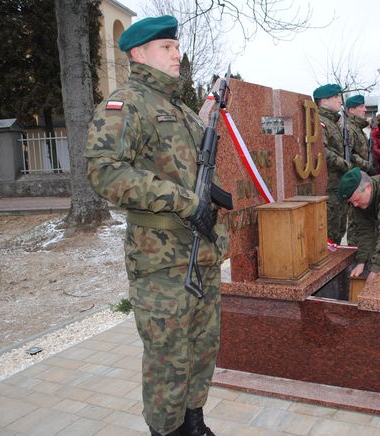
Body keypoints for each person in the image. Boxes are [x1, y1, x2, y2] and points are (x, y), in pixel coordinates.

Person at [84, 16, 228, 436]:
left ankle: (194, 422)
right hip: (161, 259)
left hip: (199, 252)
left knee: (202, 349)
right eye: (166, 46)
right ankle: (166, 430)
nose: (176, 53)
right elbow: (105, 172)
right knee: (168, 358)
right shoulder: (126, 104)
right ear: (138, 53)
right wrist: (185, 201)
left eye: (175, 45)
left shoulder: (179, 108)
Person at [314, 83, 349, 244]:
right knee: (331, 229)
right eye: (336, 97)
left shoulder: (333, 121)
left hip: (338, 183)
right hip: (330, 184)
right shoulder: (321, 121)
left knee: (340, 226)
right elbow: (322, 151)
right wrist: (345, 164)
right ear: (324, 100)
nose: (340, 101)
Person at [344, 94, 374, 246]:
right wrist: (367, 165)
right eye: (361, 107)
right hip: (356, 179)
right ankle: (355, 251)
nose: (365, 109)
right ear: (351, 110)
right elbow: (349, 155)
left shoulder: (359, 128)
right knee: (355, 221)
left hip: (362, 176)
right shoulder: (349, 129)